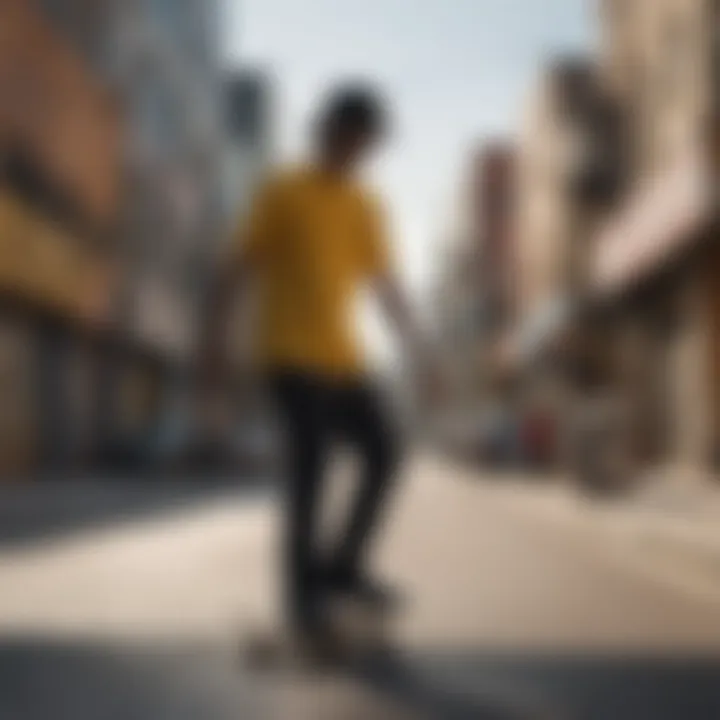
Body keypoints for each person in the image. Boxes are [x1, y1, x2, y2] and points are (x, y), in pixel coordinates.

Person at [201, 83, 440, 650]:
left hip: (344, 358)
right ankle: (301, 597)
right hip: (286, 354)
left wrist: (420, 351)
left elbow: (386, 286)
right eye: (359, 140)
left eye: (372, 145)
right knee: (309, 471)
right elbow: (237, 267)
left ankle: (342, 568)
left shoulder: (365, 204)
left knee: (385, 452)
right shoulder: (281, 190)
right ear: (332, 132)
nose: (364, 153)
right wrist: (213, 341)